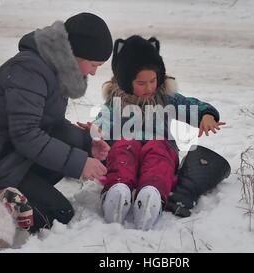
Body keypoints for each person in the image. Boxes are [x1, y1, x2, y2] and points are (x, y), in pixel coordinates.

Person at [0, 12, 113, 233]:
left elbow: (52, 124)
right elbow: (26, 134)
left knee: (69, 145)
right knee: (58, 213)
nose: (94, 72)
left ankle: (5, 193)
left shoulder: (55, 69)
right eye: (93, 64)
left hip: (8, 156)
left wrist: (87, 143)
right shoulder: (31, 70)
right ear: (75, 54)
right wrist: (80, 163)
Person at [90, 35, 226, 230]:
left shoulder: (166, 98)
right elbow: (103, 120)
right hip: (126, 147)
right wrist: (96, 129)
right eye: (141, 83)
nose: (149, 87)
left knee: (159, 151)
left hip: (160, 147)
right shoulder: (117, 101)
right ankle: (117, 192)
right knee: (122, 148)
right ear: (126, 81)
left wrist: (206, 115)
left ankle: (151, 194)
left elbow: (191, 105)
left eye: (153, 81)